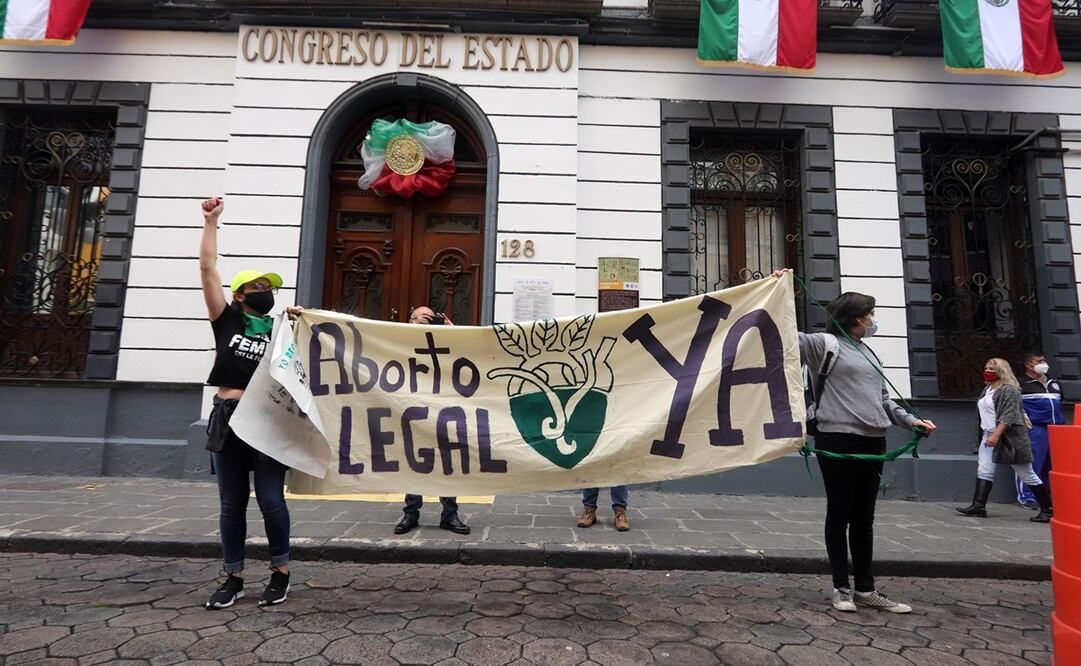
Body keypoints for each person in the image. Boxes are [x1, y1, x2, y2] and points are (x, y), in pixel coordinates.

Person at [772, 269, 937, 614]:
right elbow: (784, 334)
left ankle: (866, 589)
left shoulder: (870, 353)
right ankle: (841, 588)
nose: (874, 319)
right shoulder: (824, 345)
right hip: (837, 439)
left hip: (874, 441)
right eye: (871, 313)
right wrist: (778, 288)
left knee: (864, 517)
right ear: (857, 317)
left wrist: (913, 422)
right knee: (840, 512)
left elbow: (884, 400)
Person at [200, 196, 301, 609]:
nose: (267, 293)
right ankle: (234, 576)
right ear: (239, 295)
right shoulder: (225, 319)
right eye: (258, 288)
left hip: (266, 419)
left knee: (271, 499)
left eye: (270, 288)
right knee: (232, 503)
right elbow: (207, 269)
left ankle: (281, 572)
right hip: (228, 417)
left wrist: (301, 324)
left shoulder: (280, 328)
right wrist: (211, 222)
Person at [392, 306, 471, 536]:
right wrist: (415, 329)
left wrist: (451, 330)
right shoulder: (398, 337)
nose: (427, 320)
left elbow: (469, 354)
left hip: (443, 409)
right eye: (421, 317)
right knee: (414, 460)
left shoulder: (446, 336)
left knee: (448, 461)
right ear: (411, 320)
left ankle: (450, 514)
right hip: (414, 408)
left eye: (430, 317)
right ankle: (410, 513)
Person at [956, 358, 1053, 523]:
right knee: (984, 470)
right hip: (988, 434)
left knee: (1026, 473)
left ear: (1002, 370)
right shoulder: (988, 389)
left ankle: (1047, 509)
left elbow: (1009, 415)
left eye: (992, 368)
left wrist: (996, 435)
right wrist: (990, 435)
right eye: (986, 368)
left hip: (1009, 438)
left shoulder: (1009, 390)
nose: (987, 371)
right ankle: (978, 506)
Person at [1015, 351, 1064, 509]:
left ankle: (1047, 496)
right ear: (1028, 365)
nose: (1043, 363)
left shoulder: (1053, 383)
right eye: (1039, 361)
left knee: (1051, 464)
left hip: (1056, 428)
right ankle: (1027, 497)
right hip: (1036, 428)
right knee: (1032, 463)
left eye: (1044, 360)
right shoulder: (1021, 384)